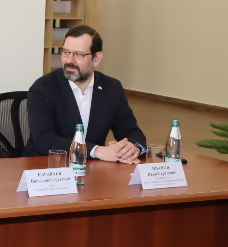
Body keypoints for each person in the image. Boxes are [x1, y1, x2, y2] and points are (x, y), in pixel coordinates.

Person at [25, 25, 145, 163]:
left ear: (96, 58)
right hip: (47, 167)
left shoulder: (111, 88)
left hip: (91, 168)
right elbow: (44, 140)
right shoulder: (43, 87)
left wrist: (133, 147)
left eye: (78, 54)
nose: (69, 60)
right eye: (66, 52)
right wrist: (96, 150)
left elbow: (131, 131)